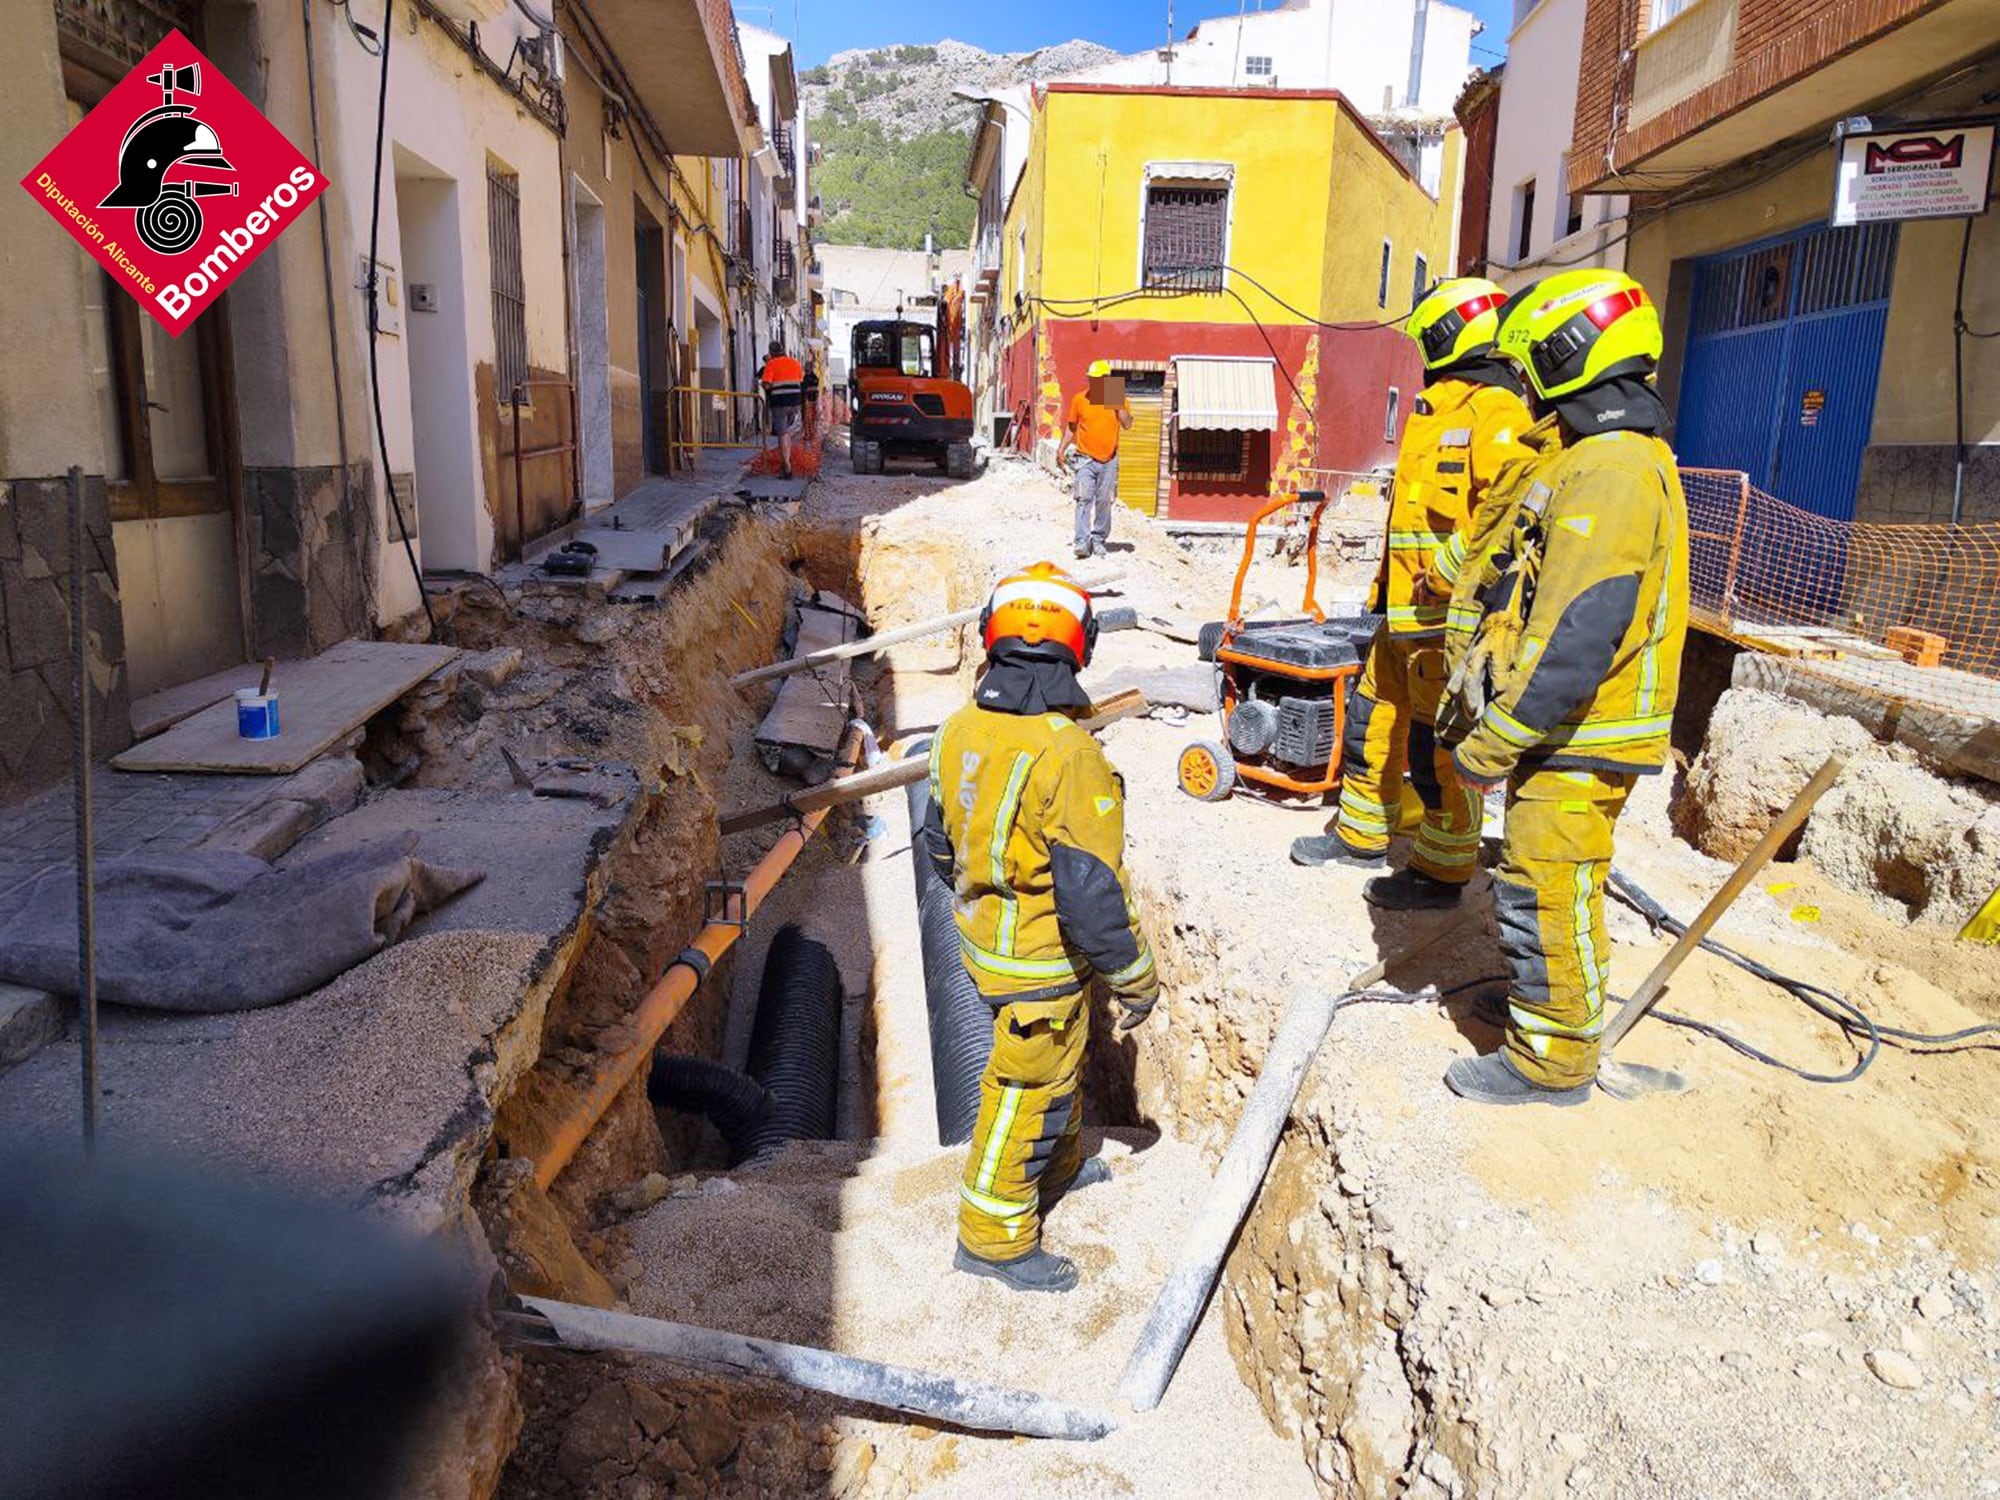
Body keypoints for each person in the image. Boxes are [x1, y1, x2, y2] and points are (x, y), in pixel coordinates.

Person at [1435, 268, 1689, 1107]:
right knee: (1545, 877)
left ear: (1572, 351)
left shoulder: (1613, 469)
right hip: (1574, 726)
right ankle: (1548, 1010)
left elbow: (1579, 631)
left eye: (1535, 359)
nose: (1526, 380)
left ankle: (1550, 1060)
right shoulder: (1594, 455)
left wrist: (1495, 741)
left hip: (1586, 727)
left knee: (1550, 878)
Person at [920, 563, 1160, 1293]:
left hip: (987, 942)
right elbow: (1090, 890)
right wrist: (1135, 975)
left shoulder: (959, 727)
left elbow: (939, 842)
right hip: (1038, 962)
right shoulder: (1067, 751)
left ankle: (1058, 1167)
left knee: (1056, 1068)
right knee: (1022, 1091)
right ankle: (991, 1239)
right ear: (1075, 647)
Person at [1290, 278, 1535, 914]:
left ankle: (1441, 873)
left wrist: (1448, 578)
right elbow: (1409, 523)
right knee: (1373, 723)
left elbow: (1506, 522)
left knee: (1439, 751)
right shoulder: (1436, 414)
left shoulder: (1497, 414)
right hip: (1400, 622)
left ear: (1449, 335)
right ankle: (1363, 836)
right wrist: (1379, 595)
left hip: (1447, 628)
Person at [1056, 359, 1132, 560]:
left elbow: (1127, 424)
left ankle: (1098, 540)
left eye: (1097, 380)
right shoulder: (1080, 399)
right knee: (1083, 498)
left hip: (1109, 459)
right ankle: (1081, 541)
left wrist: (1116, 402)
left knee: (1104, 500)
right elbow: (1072, 428)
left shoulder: (1117, 397)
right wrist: (1061, 449)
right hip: (1085, 459)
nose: (1093, 384)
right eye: (1091, 379)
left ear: (1107, 380)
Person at [759, 338, 805, 478]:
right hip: (795, 402)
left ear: (771, 353)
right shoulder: (796, 363)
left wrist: (766, 386)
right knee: (787, 433)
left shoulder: (771, 364)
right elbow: (799, 381)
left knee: (782, 434)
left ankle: (787, 466)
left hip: (779, 403)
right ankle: (786, 462)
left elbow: (766, 384)